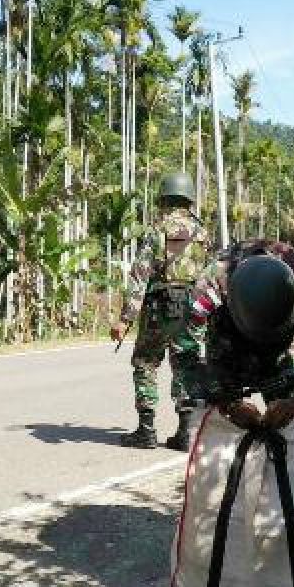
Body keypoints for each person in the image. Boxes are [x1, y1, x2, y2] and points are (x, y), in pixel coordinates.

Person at [174, 240, 294, 431]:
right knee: (223, 434)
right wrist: (226, 402)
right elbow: (183, 347)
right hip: (227, 349)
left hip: (282, 354)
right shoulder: (212, 284)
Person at [110, 172, 210, 450]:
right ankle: (186, 432)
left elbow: (140, 276)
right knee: (186, 365)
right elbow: (210, 274)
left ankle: (146, 430)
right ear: (188, 199)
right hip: (193, 309)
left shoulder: (158, 230)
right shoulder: (202, 233)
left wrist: (124, 319)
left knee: (145, 363)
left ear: (164, 199)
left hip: (159, 308)